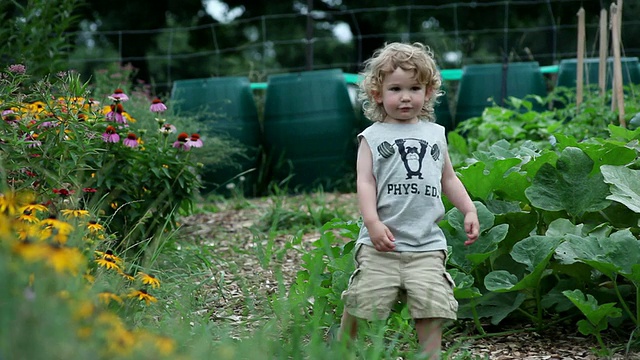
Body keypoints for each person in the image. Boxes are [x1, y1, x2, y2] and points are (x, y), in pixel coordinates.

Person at [337, 42, 480, 359]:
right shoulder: (372, 137)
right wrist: (372, 223)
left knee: (431, 304)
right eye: (395, 88)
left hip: (426, 243)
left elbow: (448, 179)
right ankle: (341, 350)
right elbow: (365, 181)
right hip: (381, 245)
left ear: (428, 92)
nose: (405, 97)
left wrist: (468, 208)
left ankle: (430, 356)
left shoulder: (435, 134)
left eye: (415, 88)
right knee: (363, 301)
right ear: (378, 94)